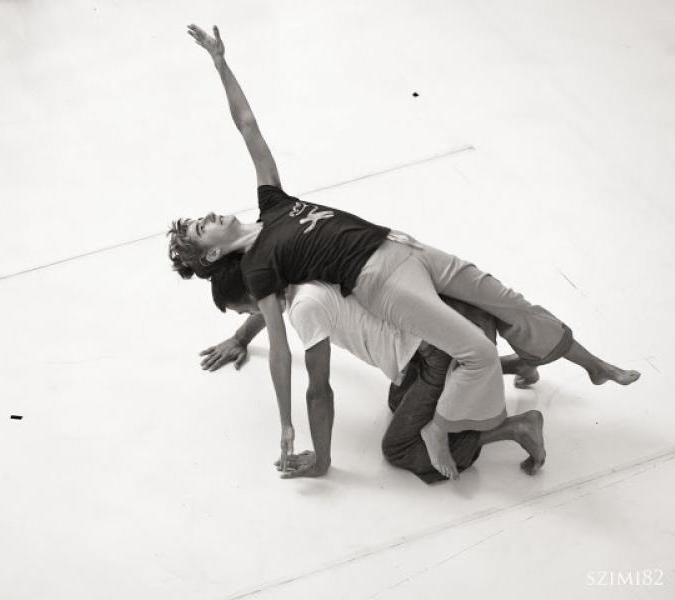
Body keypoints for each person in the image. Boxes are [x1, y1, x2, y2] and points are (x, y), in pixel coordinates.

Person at [169, 24, 639, 479]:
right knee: (473, 351)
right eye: (199, 228)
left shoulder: (272, 203)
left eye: (199, 218)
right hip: (382, 280)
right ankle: (445, 428)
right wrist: (286, 424)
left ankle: (593, 365)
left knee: (507, 302)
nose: (207, 216)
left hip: (402, 245)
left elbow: (248, 126)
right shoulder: (258, 269)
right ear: (210, 256)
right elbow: (279, 344)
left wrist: (220, 63)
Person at [203, 255, 544, 481]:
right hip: (438, 323)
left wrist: (322, 462)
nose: (248, 315)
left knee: (399, 447)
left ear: (256, 296)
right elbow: (268, 305)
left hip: (432, 351)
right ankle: (512, 364)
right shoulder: (291, 264)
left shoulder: (305, 307)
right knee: (398, 402)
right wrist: (241, 338)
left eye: (244, 310)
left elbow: (319, 392)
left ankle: (516, 428)